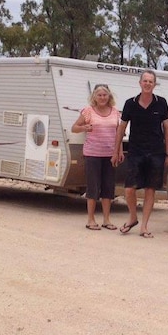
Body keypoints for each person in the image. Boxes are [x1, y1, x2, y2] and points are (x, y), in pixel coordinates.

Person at [112, 69, 168, 238]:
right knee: (129, 189)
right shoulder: (130, 103)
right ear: (140, 83)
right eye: (145, 81)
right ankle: (132, 217)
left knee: (150, 190)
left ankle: (144, 226)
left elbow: (166, 128)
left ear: (154, 84)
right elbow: (121, 128)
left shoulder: (161, 103)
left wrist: (167, 153)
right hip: (136, 151)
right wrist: (117, 151)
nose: (147, 84)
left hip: (156, 152)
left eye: (150, 81)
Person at [72, 84, 120, 231]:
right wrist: (83, 128)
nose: (102, 98)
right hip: (92, 154)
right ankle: (91, 219)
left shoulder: (115, 112)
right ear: (94, 97)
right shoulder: (88, 111)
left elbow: (119, 133)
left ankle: (106, 219)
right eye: (99, 95)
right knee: (93, 186)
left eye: (105, 95)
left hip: (110, 155)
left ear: (109, 96)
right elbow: (74, 128)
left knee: (108, 187)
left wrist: (119, 151)